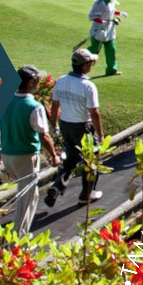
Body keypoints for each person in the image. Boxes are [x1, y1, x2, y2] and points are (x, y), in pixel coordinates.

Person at [0, 64, 59, 236]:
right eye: (37, 80)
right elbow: (44, 136)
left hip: (7, 156)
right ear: (30, 82)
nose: (39, 83)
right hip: (25, 157)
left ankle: (19, 233)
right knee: (28, 198)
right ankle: (18, 239)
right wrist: (54, 155)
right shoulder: (34, 106)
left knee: (26, 193)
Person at [45, 48, 104, 206]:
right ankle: (86, 194)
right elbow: (94, 113)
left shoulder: (61, 81)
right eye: (90, 63)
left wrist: (54, 125)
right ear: (84, 66)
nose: (92, 65)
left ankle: (57, 186)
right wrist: (101, 135)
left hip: (66, 125)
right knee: (90, 160)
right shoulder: (88, 86)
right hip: (82, 127)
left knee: (71, 159)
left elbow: (55, 105)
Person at [88, 0, 124, 76]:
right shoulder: (98, 3)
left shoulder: (111, 1)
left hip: (109, 30)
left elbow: (111, 11)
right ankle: (80, 68)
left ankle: (112, 69)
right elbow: (91, 16)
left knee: (111, 49)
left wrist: (120, 13)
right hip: (98, 30)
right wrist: (102, 22)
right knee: (93, 51)